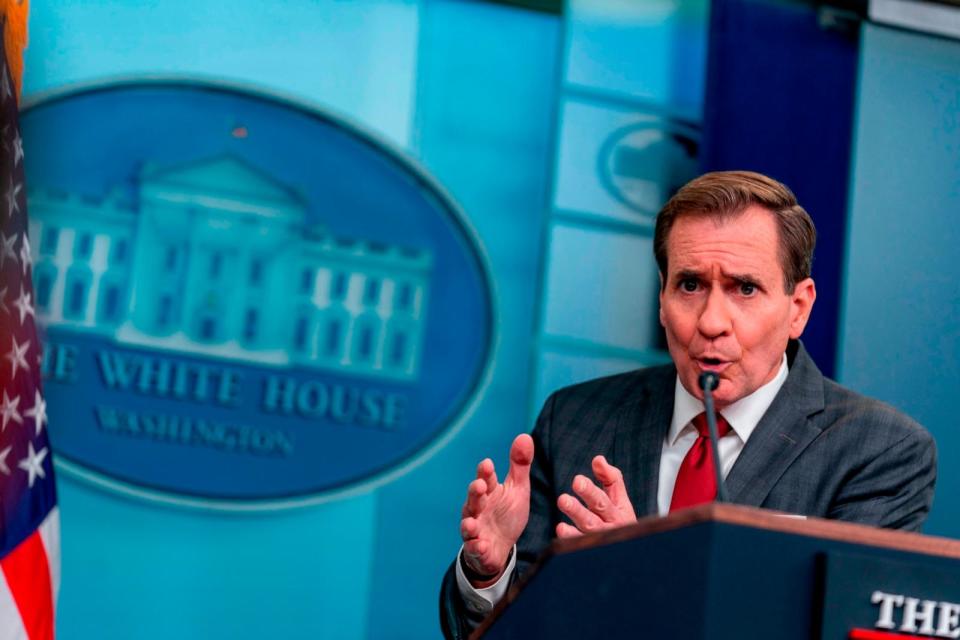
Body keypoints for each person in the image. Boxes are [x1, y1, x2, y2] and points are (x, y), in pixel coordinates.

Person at [439, 171, 937, 639]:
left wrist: (649, 573)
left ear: (798, 308)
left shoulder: (878, 450)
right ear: (661, 299)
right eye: (691, 285)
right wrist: (491, 573)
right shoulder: (575, 419)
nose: (711, 321)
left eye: (744, 288)